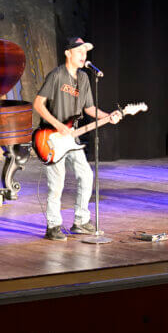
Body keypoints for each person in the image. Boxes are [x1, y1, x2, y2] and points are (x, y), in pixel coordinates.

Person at [33, 37, 121, 241]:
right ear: (68, 53)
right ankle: (53, 226)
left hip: (72, 137)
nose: (84, 55)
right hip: (52, 136)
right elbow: (38, 104)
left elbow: (89, 108)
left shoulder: (84, 79)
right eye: (80, 51)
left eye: (85, 52)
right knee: (57, 183)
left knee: (86, 175)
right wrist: (57, 125)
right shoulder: (56, 75)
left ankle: (80, 221)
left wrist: (109, 116)